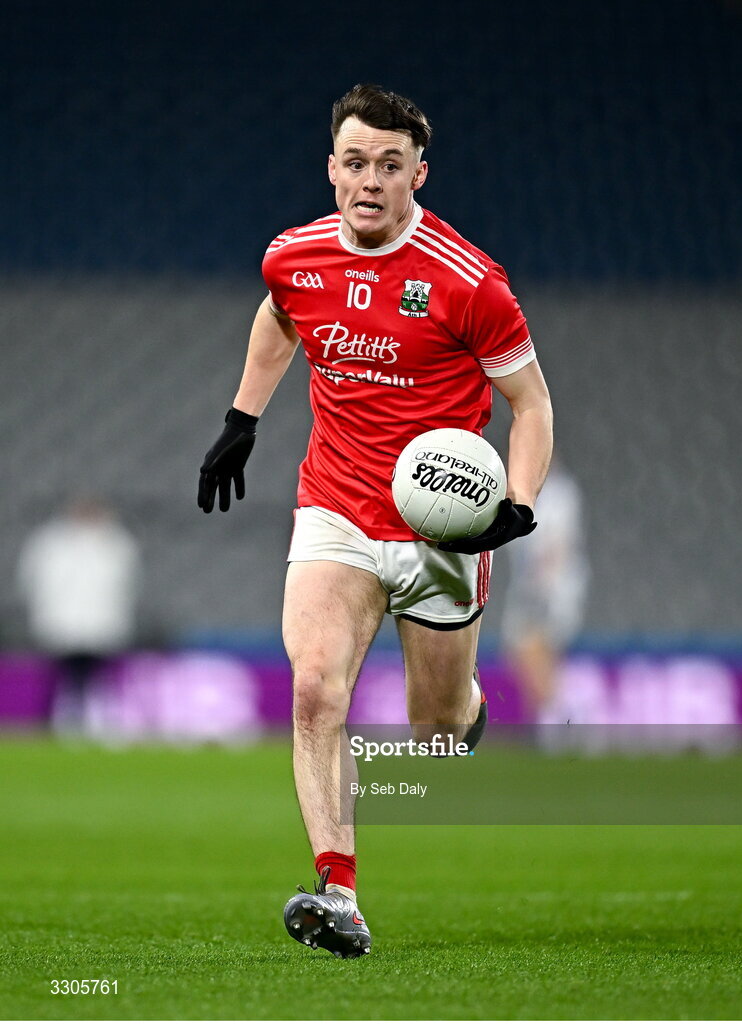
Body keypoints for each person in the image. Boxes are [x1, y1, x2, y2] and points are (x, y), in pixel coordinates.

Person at [198, 84, 553, 958]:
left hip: (441, 531)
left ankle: (466, 711)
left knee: (433, 730)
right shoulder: (295, 256)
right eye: (354, 162)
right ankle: (340, 893)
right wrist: (243, 419)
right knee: (316, 686)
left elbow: (532, 406)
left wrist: (517, 508)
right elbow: (281, 316)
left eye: (388, 165)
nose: (368, 180)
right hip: (336, 508)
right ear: (331, 168)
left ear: (416, 175)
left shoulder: (470, 283)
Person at [16, 495, 141, 734]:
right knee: (63, 679)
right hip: (61, 622)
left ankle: (101, 724)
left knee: (99, 679)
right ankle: (61, 725)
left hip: (102, 622)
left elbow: (128, 583)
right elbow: (32, 579)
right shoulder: (50, 541)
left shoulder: (116, 542)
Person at [500, 457, 589, 728]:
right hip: (531, 585)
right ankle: (551, 717)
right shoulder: (517, 492)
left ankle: (559, 718)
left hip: (551, 586)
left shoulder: (560, 492)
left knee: (531, 645)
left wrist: (543, 585)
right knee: (525, 650)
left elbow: (559, 543)